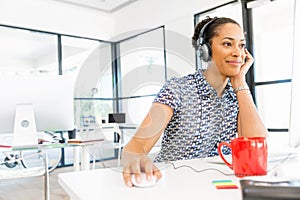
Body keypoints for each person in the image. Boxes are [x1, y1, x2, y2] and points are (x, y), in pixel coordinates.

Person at [121, 16, 268, 187]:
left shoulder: (238, 95)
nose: (238, 53)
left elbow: (256, 148)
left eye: (241, 45)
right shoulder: (178, 89)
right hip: (172, 184)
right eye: (228, 44)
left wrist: (240, 82)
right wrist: (137, 161)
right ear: (206, 50)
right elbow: (136, 146)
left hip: (215, 184)